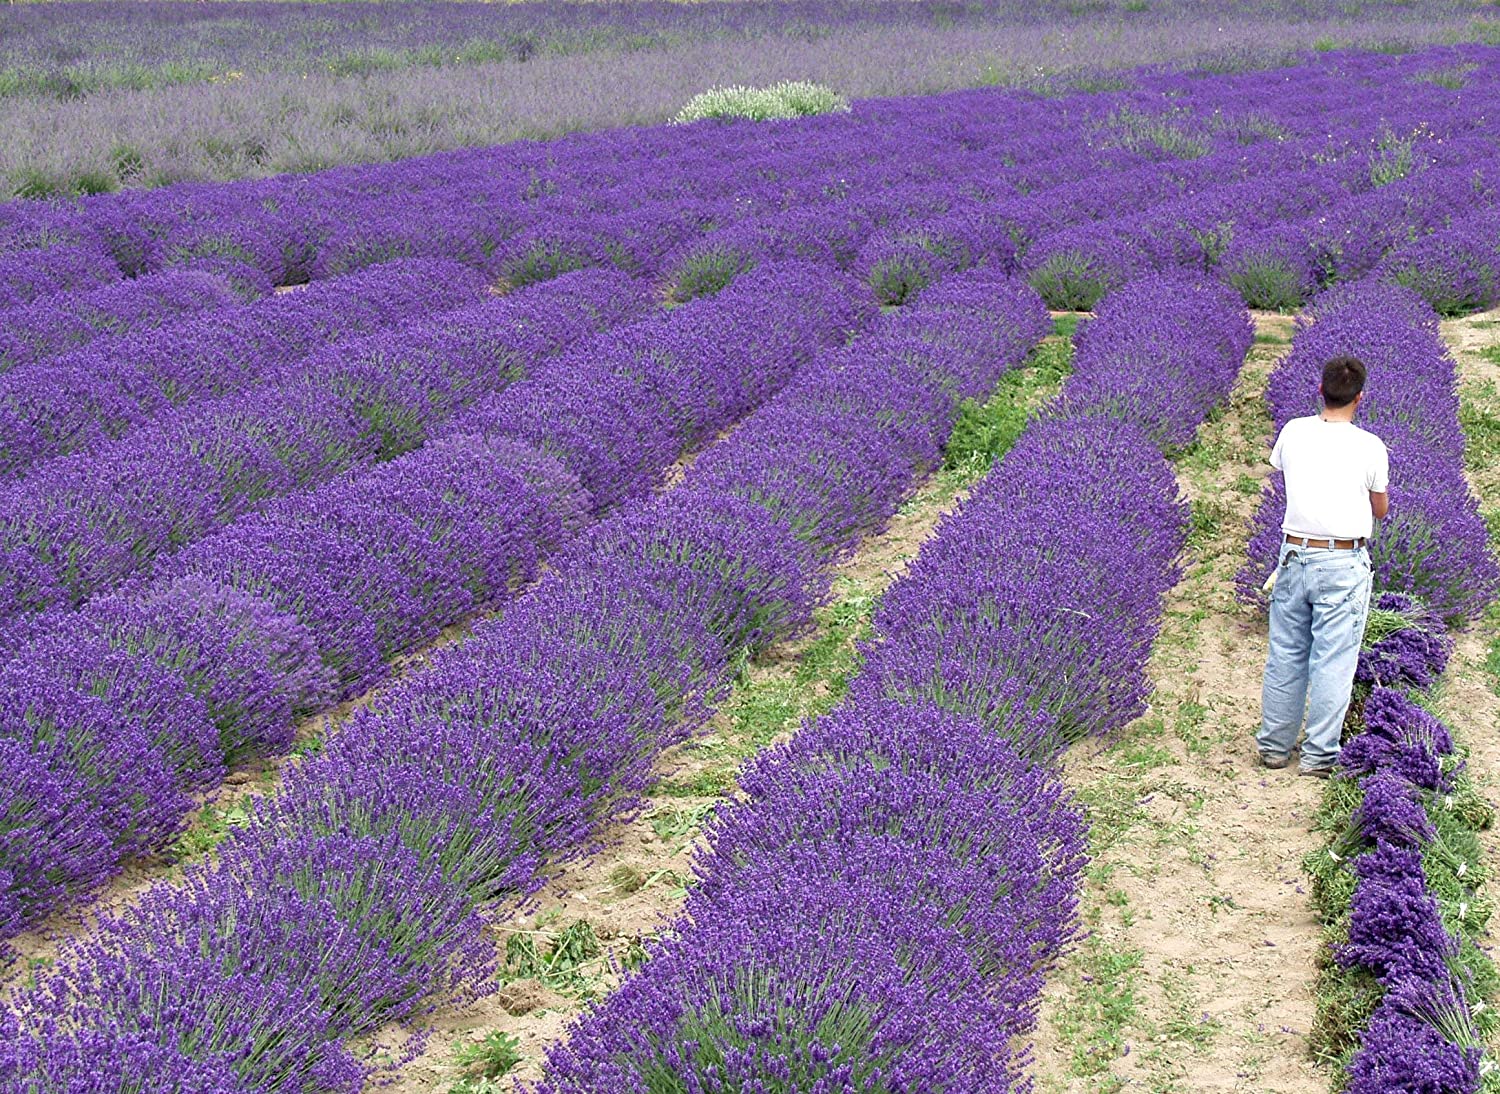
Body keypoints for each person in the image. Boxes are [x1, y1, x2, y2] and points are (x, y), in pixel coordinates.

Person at [1258, 355, 1389, 778]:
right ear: (1360, 398)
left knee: (1286, 654)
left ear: (1320, 390)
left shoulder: (1293, 432)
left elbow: (1285, 474)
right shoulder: (1369, 445)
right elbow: (1380, 509)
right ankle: (1318, 757)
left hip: (1294, 553)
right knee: (1333, 660)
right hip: (1342, 560)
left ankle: (1275, 748)